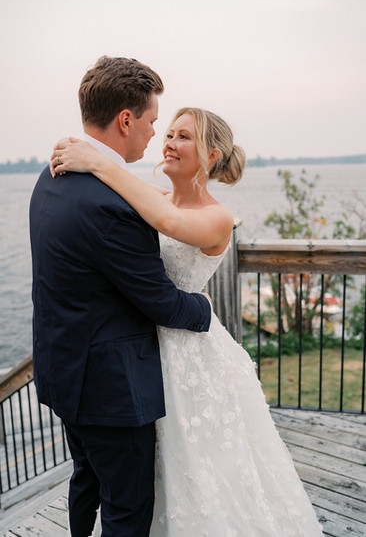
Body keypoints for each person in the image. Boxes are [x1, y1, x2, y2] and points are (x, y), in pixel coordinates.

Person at [50, 107, 324, 536]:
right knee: (148, 472)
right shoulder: (156, 196)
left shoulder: (217, 217)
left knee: (203, 466)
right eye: (169, 134)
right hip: (142, 348)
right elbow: (140, 199)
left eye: (183, 137)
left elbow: (168, 223)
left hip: (191, 353)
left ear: (211, 156)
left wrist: (99, 161)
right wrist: (86, 157)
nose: (169, 143)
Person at [29, 57, 212, 537]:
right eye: (153, 121)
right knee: (127, 509)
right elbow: (163, 303)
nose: (156, 134)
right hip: (110, 389)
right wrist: (207, 310)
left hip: (64, 370)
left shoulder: (51, 176)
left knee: (85, 479)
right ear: (126, 119)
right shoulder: (112, 206)